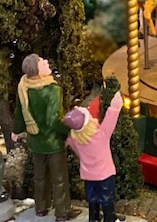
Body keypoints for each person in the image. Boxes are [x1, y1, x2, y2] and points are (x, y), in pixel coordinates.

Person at [13, 54, 80, 222]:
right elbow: (53, 120)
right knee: (59, 178)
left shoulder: (23, 87)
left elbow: (19, 112)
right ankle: (62, 211)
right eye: (42, 62)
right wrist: (68, 131)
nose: (46, 62)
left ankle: (41, 208)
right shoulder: (52, 90)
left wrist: (17, 130)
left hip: (35, 142)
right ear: (38, 70)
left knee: (40, 176)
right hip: (53, 143)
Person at [64, 91, 123, 222]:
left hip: (88, 176)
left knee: (93, 199)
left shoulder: (74, 139)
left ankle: (94, 219)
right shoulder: (100, 135)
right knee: (107, 200)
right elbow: (110, 118)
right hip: (105, 175)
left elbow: (78, 154)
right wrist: (116, 104)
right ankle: (110, 218)